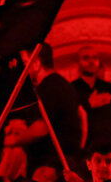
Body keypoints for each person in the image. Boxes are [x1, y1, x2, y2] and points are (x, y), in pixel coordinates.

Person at [8, 44, 85, 172]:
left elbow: (41, 129)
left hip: (49, 164)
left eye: (25, 63)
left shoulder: (48, 88)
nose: (23, 69)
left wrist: (12, 141)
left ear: (36, 63)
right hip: (66, 160)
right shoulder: (64, 84)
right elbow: (83, 116)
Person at [72, 46, 111, 156]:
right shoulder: (71, 89)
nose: (91, 61)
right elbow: (68, 118)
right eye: (86, 58)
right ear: (79, 63)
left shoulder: (110, 88)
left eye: (94, 58)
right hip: (84, 150)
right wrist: (88, 104)